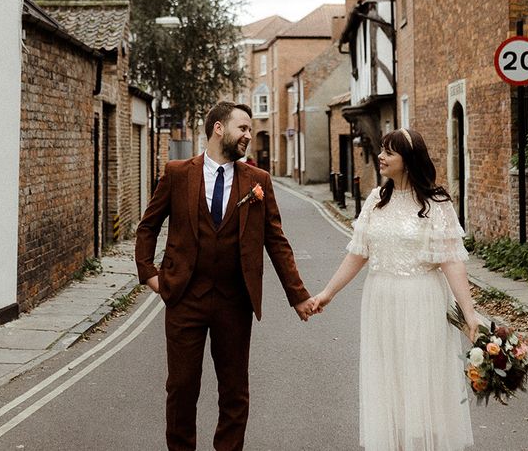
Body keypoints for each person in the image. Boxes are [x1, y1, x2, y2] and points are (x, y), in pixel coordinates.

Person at [135, 101, 316, 451]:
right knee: (181, 388)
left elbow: (276, 241)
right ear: (219, 128)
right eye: (243, 129)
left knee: (234, 392)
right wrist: (150, 275)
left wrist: (299, 296)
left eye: (250, 129)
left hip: (234, 302)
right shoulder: (177, 172)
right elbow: (148, 227)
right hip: (185, 297)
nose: (249, 135)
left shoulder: (257, 180)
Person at [313, 127, 478, 451]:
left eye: (389, 151)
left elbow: (452, 262)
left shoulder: (436, 202)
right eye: (382, 150)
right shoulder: (376, 200)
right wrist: (327, 294)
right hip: (381, 301)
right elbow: (358, 254)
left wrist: (470, 315)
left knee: (421, 381)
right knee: (389, 380)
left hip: (423, 301)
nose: (381, 156)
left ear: (409, 159)